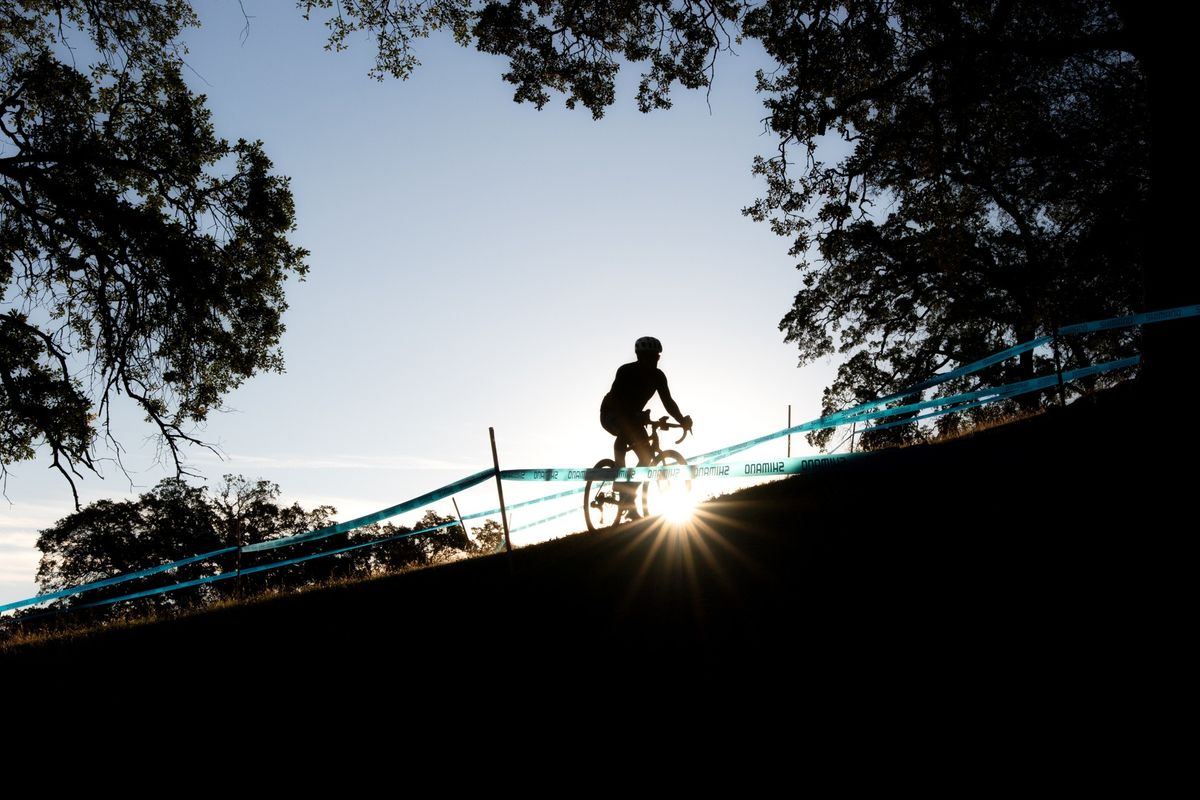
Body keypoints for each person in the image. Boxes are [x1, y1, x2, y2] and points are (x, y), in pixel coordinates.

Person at [599, 336, 693, 519]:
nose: (655, 361)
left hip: (634, 417)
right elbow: (617, 401)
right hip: (611, 412)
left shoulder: (658, 376)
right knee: (626, 431)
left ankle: (629, 499)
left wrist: (682, 420)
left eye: (657, 357)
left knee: (647, 456)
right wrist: (636, 416)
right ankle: (619, 480)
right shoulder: (626, 371)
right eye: (650, 357)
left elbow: (668, 402)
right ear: (640, 356)